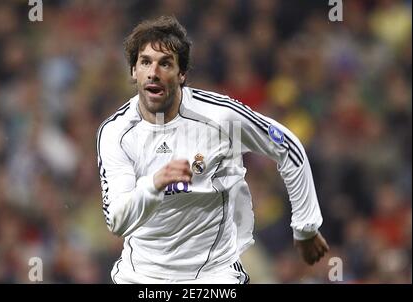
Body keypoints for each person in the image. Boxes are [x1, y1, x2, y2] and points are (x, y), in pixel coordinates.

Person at [96, 16, 329, 284]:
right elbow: (118, 221)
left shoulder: (220, 117)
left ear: (182, 74)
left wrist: (306, 227)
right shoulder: (116, 133)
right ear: (133, 71)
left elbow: (288, 147)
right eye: (145, 62)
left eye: (166, 64)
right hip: (142, 279)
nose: (153, 72)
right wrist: (155, 183)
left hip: (213, 277)